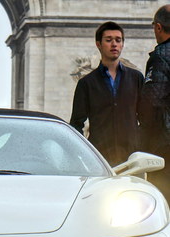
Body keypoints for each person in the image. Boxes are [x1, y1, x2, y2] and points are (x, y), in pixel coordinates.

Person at [70, 21, 144, 166]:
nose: (114, 44)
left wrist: (141, 145)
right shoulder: (86, 83)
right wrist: (84, 155)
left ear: (123, 44)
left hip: (133, 157)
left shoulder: (136, 78)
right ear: (98, 44)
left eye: (118, 40)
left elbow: (146, 119)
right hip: (99, 159)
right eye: (108, 40)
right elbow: (76, 124)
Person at [140, 5, 170, 201]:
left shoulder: (161, 56)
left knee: (162, 201)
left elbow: (152, 101)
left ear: (158, 27)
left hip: (164, 145)